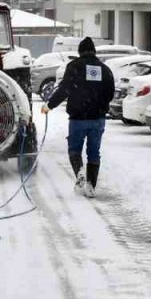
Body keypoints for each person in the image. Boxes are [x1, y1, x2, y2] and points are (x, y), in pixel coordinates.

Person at [42, 37, 115, 197]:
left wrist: (49, 106)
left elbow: (64, 90)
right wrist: (99, 104)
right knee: (94, 152)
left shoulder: (74, 67)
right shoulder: (105, 69)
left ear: (80, 51)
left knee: (75, 150)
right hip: (97, 119)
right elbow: (110, 93)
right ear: (94, 51)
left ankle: (80, 173)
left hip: (78, 118)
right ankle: (91, 186)